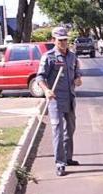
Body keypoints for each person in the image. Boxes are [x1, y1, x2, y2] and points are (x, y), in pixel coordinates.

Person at [37, 26, 83, 177]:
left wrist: (78, 78)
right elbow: (40, 77)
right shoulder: (48, 57)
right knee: (58, 130)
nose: (63, 43)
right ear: (53, 40)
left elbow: (76, 70)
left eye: (65, 40)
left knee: (70, 129)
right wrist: (46, 90)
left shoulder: (72, 56)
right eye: (60, 40)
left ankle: (68, 157)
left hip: (70, 98)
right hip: (56, 99)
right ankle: (60, 163)